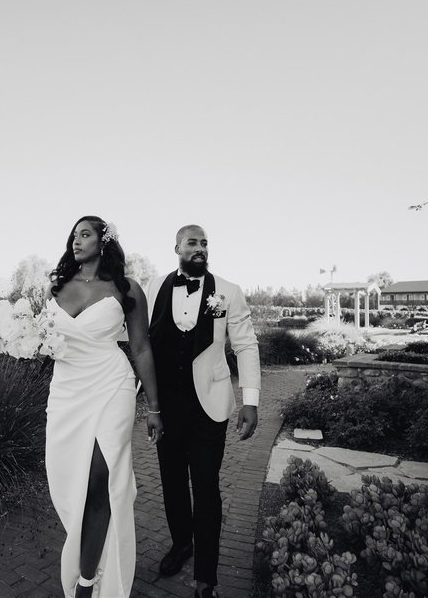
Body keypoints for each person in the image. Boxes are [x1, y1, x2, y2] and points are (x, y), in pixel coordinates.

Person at [44, 216, 164, 598]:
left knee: (100, 480)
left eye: (85, 234)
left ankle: (86, 581)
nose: (76, 241)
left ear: (103, 241)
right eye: (73, 236)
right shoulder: (57, 287)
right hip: (66, 393)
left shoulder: (126, 288)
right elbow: (48, 340)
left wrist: (155, 407)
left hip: (111, 386)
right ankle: (87, 559)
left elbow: (141, 348)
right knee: (68, 485)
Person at [144, 224, 261, 598]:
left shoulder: (228, 291)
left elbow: (245, 345)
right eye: (192, 242)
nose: (200, 248)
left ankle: (206, 576)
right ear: (176, 247)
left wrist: (251, 400)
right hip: (167, 407)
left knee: (207, 488)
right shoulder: (152, 288)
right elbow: (140, 342)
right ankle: (182, 544)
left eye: (205, 243)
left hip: (210, 407)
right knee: (173, 482)